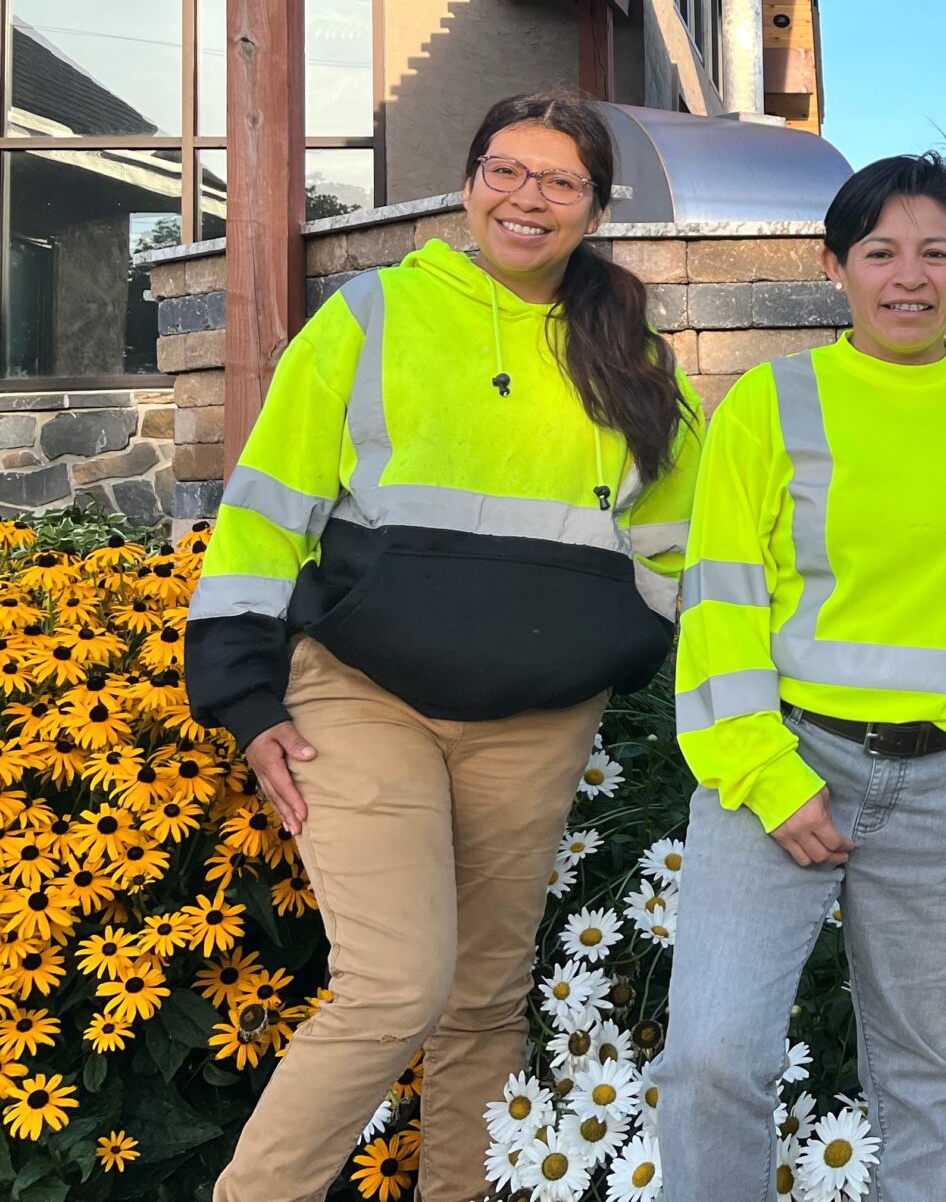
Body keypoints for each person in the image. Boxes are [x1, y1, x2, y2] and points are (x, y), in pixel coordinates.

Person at [187, 92, 701, 1202]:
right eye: (508, 171)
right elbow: (269, 506)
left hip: (537, 720)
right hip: (365, 698)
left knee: (484, 998)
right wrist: (242, 688)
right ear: (469, 183)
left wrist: (617, 639)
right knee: (394, 985)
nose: (530, 199)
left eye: (562, 182)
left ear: (596, 209)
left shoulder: (632, 349)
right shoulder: (370, 316)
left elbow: (673, 535)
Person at [656, 151, 946, 1199]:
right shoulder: (770, 405)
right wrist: (768, 772)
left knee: (924, 1076)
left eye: (935, 252)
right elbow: (721, 606)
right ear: (834, 267)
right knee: (712, 1060)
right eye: (880, 251)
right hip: (782, 762)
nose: (909, 276)